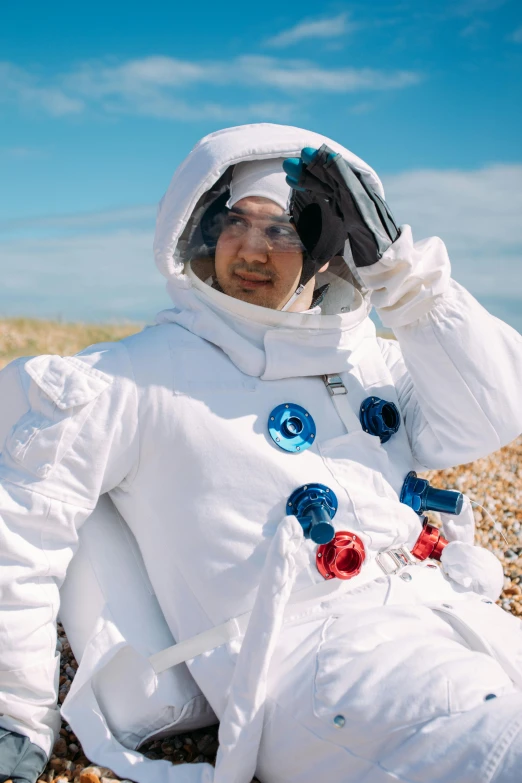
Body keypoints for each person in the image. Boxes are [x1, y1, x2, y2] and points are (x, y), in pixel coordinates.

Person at [1, 123, 522, 783]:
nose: (250, 247)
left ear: (331, 252)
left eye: (284, 230)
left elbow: (494, 410)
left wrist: (404, 277)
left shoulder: (368, 359)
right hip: (321, 671)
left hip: (460, 620)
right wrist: (14, 707)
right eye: (233, 222)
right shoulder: (137, 377)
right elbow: (21, 522)